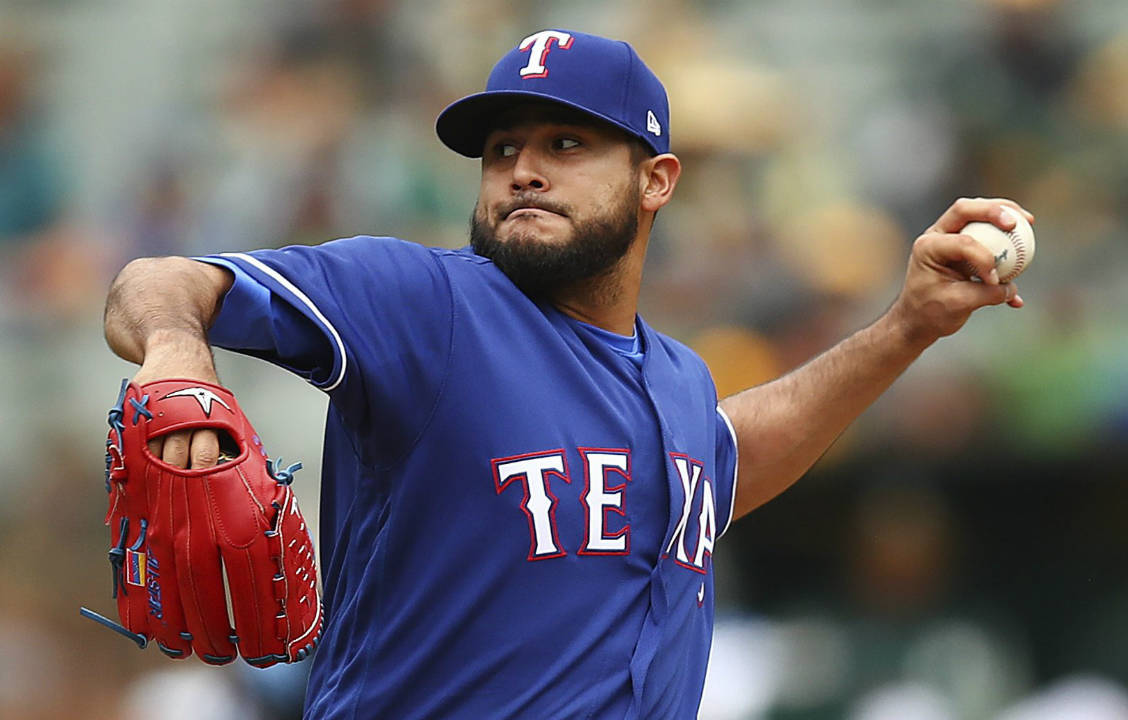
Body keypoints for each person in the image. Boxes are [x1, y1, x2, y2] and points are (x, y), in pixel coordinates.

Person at [102, 29, 1028, 720]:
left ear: (657, 180)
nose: (523, 171)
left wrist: (906, 326)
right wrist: (179, 353)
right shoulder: (426, 304)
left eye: (567, 145)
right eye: (503, 150)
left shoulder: (676, 380)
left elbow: (724, 460)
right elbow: (158, 284)